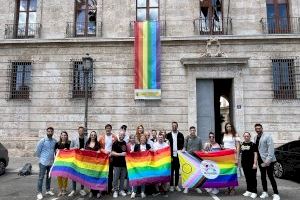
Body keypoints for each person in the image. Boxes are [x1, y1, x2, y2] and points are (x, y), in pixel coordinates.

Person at [254, 124, 280, 200]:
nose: (258, 130)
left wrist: (267, 161)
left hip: (268, 160)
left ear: (262, 128)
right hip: (260, 160)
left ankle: (276, 194)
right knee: (263, 177)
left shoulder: (267, 136)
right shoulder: (255, 137)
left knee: (271, 177)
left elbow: (271, 149)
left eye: (259, 128)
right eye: (256, 129)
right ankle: (265, 192)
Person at [36, 127, 57, 200]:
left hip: (51, 162)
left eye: (51, 131)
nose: (50, 132)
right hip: (43, 162)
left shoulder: (54, 141)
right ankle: (39, 193)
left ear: (53, 132)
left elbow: (55, 151)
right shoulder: (43, 140)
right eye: (48, 131)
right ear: (46, 132)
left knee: (49, 177)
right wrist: (41, 158)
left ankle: (48, 190)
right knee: (41, 177)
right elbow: (38, 151)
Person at [68, 126, 88, 197]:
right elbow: (70, 148)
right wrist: (75, 148)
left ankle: (82, 189)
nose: (81, 132)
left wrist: (85, 150)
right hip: (76, 159)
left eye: (82, 131)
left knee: (82, 175)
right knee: (74, 175)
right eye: (79, 131)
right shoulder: (74, 139)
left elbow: (89, 149)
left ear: (84, 131)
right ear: (78, 131)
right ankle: (73, 190)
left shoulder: (87, 139)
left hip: (83, 160)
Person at [222, 122, 240, 195]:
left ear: (232, 127)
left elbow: (238, 147)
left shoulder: (235, 135)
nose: (228, 128)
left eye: (230, 126)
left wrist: (237, 158)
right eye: (227, 126)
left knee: (233, 172)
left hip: (233, 154)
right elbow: (225, 144)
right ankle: (228, 187)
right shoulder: (224, 134)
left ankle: (233, 188)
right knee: (227, 171)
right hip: (225, 155)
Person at [131, 134, 151, 199]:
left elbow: (151, 153)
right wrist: (131, 153)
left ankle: (142, 192)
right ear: (140, 139)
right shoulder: (137, 146)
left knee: (143, 179)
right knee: (136, 178)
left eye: (144, 138)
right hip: (138, 165)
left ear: (146, 139)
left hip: (145, 165)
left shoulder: (148, 146)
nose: (143, 139)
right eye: (141, 138)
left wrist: (152, 151)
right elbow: (134, 155)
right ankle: (134, 192)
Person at [183, 126, 202, 194]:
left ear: (195, 131)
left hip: (197, 159)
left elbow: (201, 149)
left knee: (197, 174)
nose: (193, 131)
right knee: (188, 173)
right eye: (191, 130)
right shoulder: (187, 138)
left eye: (194, 130)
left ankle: (197, 187)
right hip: (189, 158)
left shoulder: (199, 139)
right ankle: (186, 187)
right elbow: (184, 148)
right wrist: (182, 151)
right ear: (189, 131)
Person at [99, 124, 118, 194]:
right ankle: (103, 189)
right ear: (105, 129)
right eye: (107, 128)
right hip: (103, 158)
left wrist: (112, 153)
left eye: (109, 128)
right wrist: (104, 151)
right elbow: (99, 147)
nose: (108, 129)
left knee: (110, 174)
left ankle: (109, 189)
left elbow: (117, 147)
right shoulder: (101, 137)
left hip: (111, 157)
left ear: (111, 129)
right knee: (104, 173)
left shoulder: (115, 137)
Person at [166, 121, 184, 192]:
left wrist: (182, 150)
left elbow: (183, 145)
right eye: (173, 126)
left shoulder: (181, 135)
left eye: (175, 126)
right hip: (170, 156)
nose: (174, 127)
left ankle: (176, 185)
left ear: (177, 126)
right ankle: (171, 186)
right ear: (171, 127)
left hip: (178, 156)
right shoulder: (168, 135)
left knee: (177, 171)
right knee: (171, 171)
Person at [241, 132, 258, 199]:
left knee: (253, 178)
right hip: (244, 164)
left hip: (252, 164)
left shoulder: (253, 144)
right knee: (247, 178)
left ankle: (254, 192)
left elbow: (256, 154)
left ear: (250, 136)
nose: (246, 137)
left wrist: (255, 163)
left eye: (247, 136)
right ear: (243, 137)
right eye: (245, 136)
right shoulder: (242, 144)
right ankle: (249, 190)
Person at [112, 130, 128, 198]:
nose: (122, 136)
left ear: (124, 136)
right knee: (115, 178)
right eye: (121, 134)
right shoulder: (115, 143)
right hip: (116, 164)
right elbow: (112, 153)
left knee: (122, 178)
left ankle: (121, 190)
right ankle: (115, 190)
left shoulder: (124, 142)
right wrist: (121, 154)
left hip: (124, 164)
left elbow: (125, 152)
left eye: (123, 135)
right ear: (119, 135)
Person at [86, 131, 102, 198]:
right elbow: (85, 152)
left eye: (94, 135)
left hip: (96, 163)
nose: (93, 136)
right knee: (90, 177)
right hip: (89, 163)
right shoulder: (87, 143)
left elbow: (100, 151)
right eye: (92, 135)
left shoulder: (98, 143)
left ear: (96, 136)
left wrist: (99, 151)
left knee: (96, 177)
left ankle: (98, 191)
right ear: (90, 136)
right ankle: (91, 191)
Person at [153, 133, 169, 197]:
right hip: (157, 164)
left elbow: (168, 154)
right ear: (157, 138)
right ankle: (158, 191)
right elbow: (153, 154)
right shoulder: (154, 144)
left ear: (163, 138)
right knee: (157, 179)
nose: (160, 138)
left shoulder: (166, 145)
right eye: (159, 137)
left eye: (161, 137)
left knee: (164, 179)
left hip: (164, 164)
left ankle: (164, 192)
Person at [55, 131, 71, 197]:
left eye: (65, 135)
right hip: (59, 162)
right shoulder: (57, 143)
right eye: (62, 135)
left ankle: (64, 189)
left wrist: (67, 151)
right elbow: (55, 152)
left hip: (66, 161)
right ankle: (60, 190)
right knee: (59, 176)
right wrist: (59, 150)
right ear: (60, 136)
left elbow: (71, 151)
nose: (63, 136)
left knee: (65, 176)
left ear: (67, 136)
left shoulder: (69, 143)